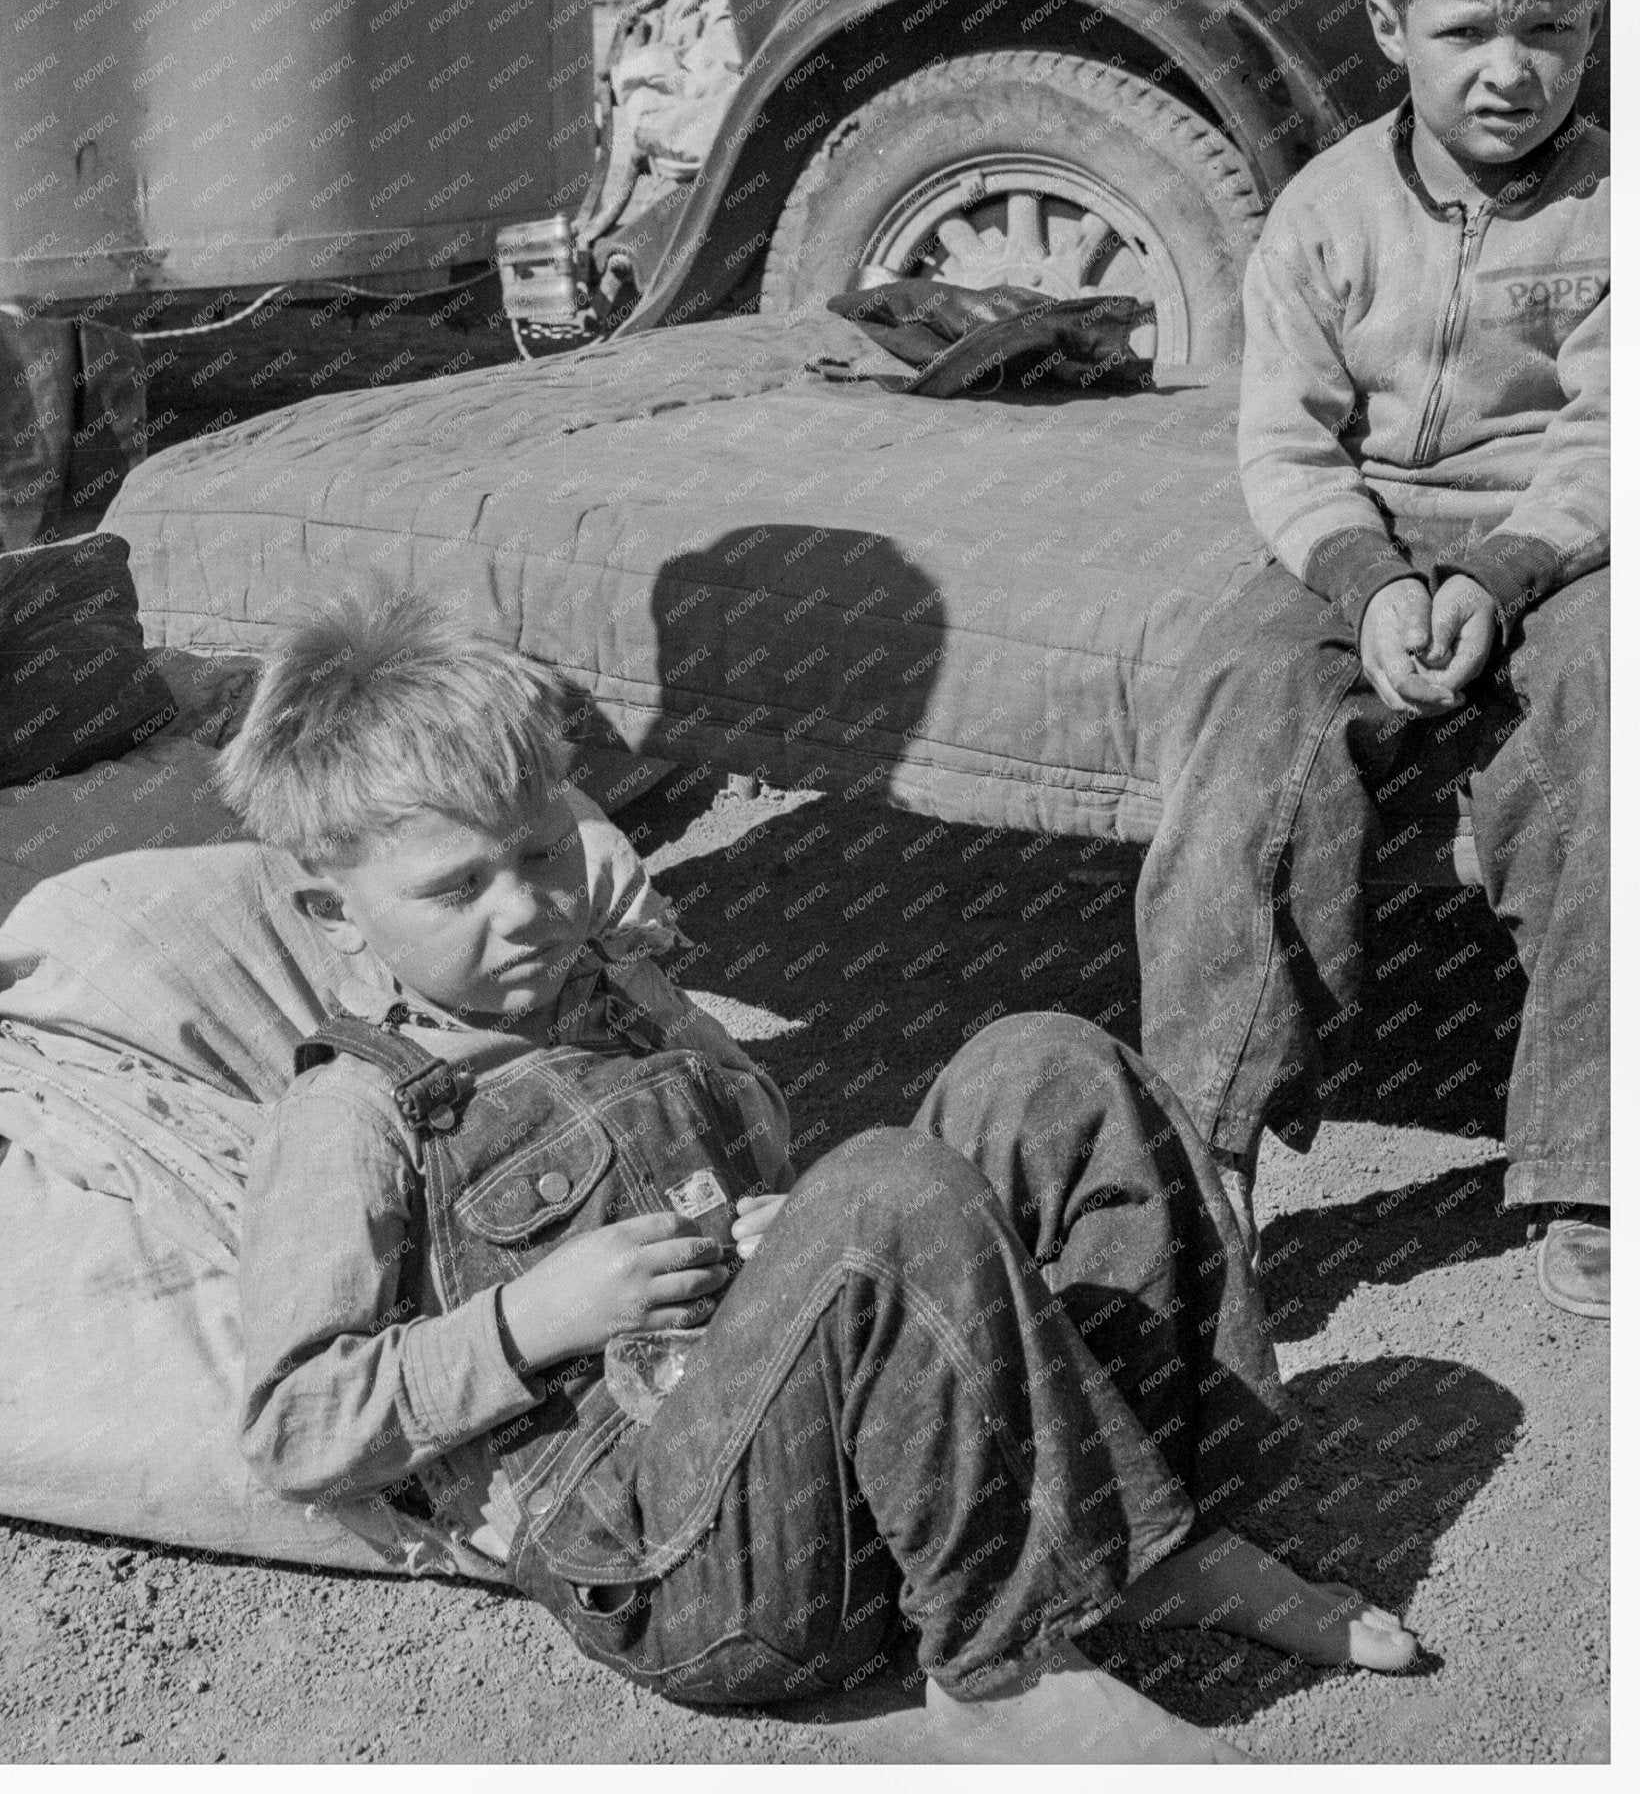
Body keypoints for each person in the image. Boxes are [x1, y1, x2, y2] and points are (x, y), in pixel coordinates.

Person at [228, 587, 1417, 1762]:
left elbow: (763, 1170)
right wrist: (527, 1318)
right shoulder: (354, 1114)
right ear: (333, 914)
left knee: (1045, 1068)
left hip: (817, 1454)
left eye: (543, 853)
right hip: (676, 1562)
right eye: (456, 888)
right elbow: (294, 1425)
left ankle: (1151, 1530)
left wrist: (783, 1225)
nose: (529, 909)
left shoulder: (620, 988)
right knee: (884, 1188)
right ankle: (1002, 1672)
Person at [1135, 0, 1609, 1318]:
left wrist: (1504, 576)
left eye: (1555, 28)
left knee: (1615, 714)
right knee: (1244, 705)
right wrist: (1370, 582)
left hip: (1567, 538)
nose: (1513, 69)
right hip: (1359, 531)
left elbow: (1616, 441)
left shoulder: (1624, 208)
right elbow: (1287, 449)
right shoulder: (1323, 215)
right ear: (1388, 28)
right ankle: (1203, 1145)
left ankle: (1596, 1154)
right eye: (1469, 30)